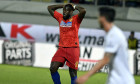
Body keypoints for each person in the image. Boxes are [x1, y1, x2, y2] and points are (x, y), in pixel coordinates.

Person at [76, 7, 135, 84]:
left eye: (98, 17)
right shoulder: (112, 33)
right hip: (115, 80)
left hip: (121, 81)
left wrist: (86, 76)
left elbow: (105, 59)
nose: (98, 19)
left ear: (102, 18)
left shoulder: (114, 35)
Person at [48, 3, 86, 84]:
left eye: (67, 10)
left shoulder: (76, 19)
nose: (64, 12)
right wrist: (63, 5)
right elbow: (49, 8)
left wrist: (74, 6)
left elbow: (83, 10)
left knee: (72, 73)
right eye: (63, 10)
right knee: (52, 68)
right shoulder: (60, 18)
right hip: (61, 49)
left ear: (71, 12)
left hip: (73, 49)